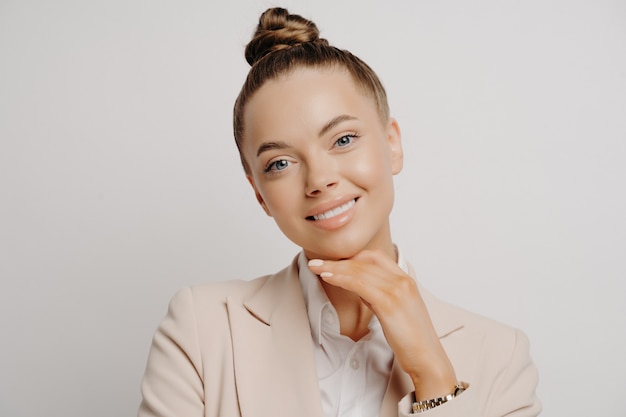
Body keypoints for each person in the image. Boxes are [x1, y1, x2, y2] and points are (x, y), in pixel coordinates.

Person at [138, 7, 541, 417]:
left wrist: (432, 375)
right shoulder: (202, 328)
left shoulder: (500, 356)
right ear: (259, 194)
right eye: (279, 163)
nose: (319, 179)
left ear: (392, 144)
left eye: (343, 139)